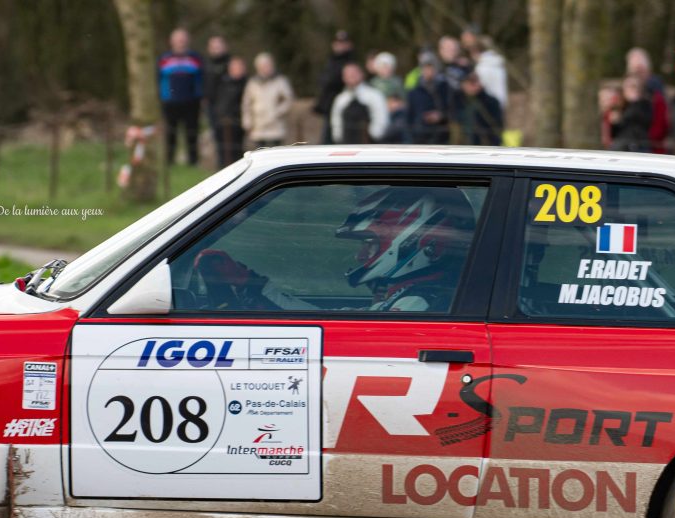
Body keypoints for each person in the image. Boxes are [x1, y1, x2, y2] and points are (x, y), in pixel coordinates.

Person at [190, 188, 477, 313]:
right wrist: (256, 287)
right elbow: (338, 318)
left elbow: (339, 336)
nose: (361, 256)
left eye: (371, 244)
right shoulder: (410, 299)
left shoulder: (417, 305)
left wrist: (255, 288)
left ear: (420, 244)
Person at [158, 28, 204, 165]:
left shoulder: (195, 58)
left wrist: (201, 96)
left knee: (192, 133)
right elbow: (158, 79)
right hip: (170, 102)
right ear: (171, 41)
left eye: (183, 39)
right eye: (178, 39)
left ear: (187, 41)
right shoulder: (164, 59)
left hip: (191, 102)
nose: (181, 42)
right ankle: (170, 161)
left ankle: (193, 161)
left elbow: (202, 79)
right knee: (171, 133)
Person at [241, 53, 294, 149]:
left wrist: (278, 112)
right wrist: (247, 122)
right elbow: (246, 104)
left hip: (276, 126)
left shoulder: (280, 81)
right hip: (258, 126)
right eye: (264, 66)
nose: (267, 68)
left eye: (269, 65)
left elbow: (288, 100)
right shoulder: (252, 83)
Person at [314, 31, 356, 143]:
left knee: (334, 141)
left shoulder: (350, 62)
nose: (340, 46)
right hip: (328, 108)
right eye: (338, 43)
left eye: (343, 43)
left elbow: (332, 82)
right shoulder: (331, 60)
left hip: (342, 107)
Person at [331, 63, 389, 143]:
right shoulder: (340, 99)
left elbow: (381, 117)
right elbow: (336, 121)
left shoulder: (374, 95)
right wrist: (338, 138)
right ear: (343, 78)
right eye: (347, 74)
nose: (351, 76)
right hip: (346, 145)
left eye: (354, 73)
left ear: (361, 74)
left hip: (369, 145)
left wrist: (373, 135)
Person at [626, 48, 668, 153]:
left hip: (649, 149)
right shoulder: (625, 93)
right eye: (635, 70)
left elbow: (659, 128)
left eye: (640, 69)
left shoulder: (656, 96)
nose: (638, 74)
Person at [407, 52, 452, 144]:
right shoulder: (414, 92)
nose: (428, 70)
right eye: (425, 67)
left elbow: (453, 110)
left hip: (442, 138)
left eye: (431, 67)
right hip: (420, 139)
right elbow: (409, 118)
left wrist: (441, 116)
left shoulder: (445, 88)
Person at [211, 56, 248, 167]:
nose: (237, 70)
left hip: (237, 122)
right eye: (234, 67)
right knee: (222, 151)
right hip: (221, 122)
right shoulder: (222, 83)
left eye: (239, 67)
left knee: (237, 151)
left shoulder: (247, 84)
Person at [453, 73, 503, 145]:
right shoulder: (456, 100)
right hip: (461, 144)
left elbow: (497, 125)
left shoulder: (491, 102)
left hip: (485, 145)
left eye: (474, 82)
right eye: (469, 83)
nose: (471, 86)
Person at [608, 75, 652, 152]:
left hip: (638, 149)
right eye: (628, 86)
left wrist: (635, 101)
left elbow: (641, 120)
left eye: (634, 86)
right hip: (620, 149)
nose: (632, 89)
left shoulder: (644, 105)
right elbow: (614, 134)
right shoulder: (620, 107)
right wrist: (614, 123)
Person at [369, 52, 407, 143]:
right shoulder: (373, 83)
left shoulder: (397, 82)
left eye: (388, 66)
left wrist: (397, 104)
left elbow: (404, 100)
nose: (386, 69)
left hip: (395, 116)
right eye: (383, 66)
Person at [471, 36, 508, 116]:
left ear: (476, 51)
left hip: (487, 108)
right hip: (502, 105)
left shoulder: (480, 69)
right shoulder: (499, 65)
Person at [202, 35, 231, 127]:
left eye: (218, 47)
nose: (216, 50)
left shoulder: (232, 63)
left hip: (230, 105)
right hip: (211, 105)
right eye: (213, 47)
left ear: (225, 47)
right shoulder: (204, 64)